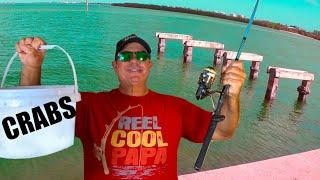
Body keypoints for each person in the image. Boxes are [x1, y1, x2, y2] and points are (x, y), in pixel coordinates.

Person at [16, 34, 246, 179]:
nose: (134, 61)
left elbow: (223, 130)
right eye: (126, 57)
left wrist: (232, 95)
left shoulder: (176, 107)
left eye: (141, 56)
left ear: (149, 64)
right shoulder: (88, 105)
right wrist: (31, 67)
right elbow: (32, 120)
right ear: (115, 66)